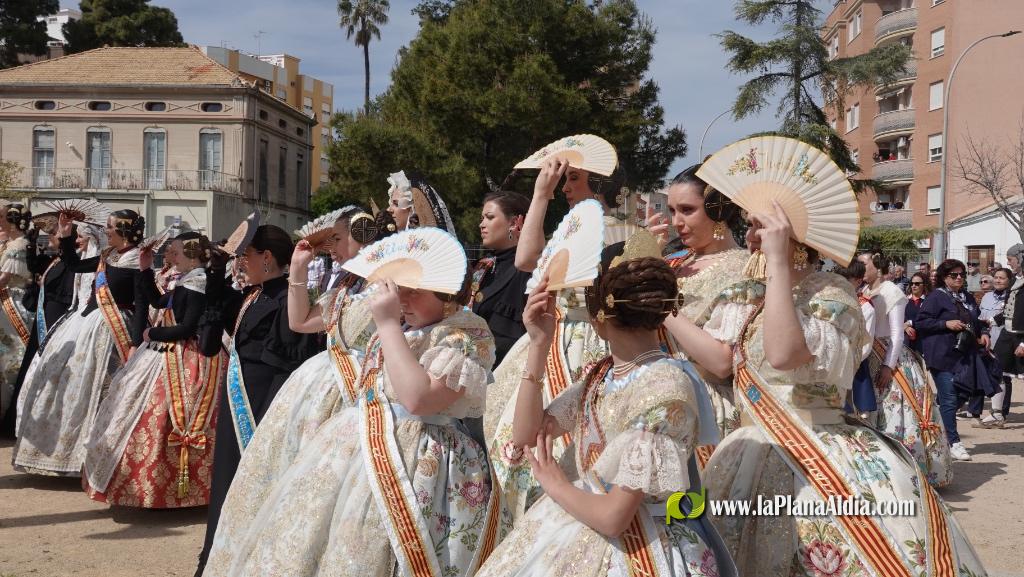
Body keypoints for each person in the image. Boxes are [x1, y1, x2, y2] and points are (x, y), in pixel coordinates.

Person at [698, 201, 985, 577]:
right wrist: (663, 313)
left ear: (793, 235)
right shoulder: (751, 296)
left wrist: (779, 265)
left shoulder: (831, 295)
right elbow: (718, 362)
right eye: (749, 225)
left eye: (760, 226)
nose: (749, 235)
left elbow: (784, 355)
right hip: (750, 448)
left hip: (816, 446)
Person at [204, 227, 505, 577]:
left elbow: (419, 399)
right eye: (399, 289)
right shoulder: (402, 321)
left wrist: (388, 325)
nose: (403, 299)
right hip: (363, 445)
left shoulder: (465, 334)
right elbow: (304, 323)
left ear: (447, 292)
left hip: (424, 461)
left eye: (414, 291)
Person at [474, 238, 735, 577]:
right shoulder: (605, 374)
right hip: (582, 519)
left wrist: (558, 485)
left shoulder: (664, 387)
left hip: (640, 545)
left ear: (597, 319)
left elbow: (615, 518)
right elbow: (526, 433)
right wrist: (539, 345)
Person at [486, 140, 635, 520]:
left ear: (599, 183)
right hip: (551, 337)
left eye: (574, 179)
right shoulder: (568, 232)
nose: (565, 187)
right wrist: (541, 194)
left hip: (594, 343)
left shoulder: (626, 234)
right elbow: (525, 259)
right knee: (520, 442)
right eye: (564, 179)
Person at [194, 223, 319, 574]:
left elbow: (287, 365)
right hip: (239, 396)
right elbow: (214, 325)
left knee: (249, 482)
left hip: (260, 405)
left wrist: (267, 419)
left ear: (266, 257)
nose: (241, 262)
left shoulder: (285, 299)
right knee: (227, 480)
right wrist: (216, 269)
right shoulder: (254, 294)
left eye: (246, 255)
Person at [82, 232, 227, 508]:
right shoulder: (188, 280)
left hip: (187, 357)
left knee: (162, 413)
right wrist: (145, 269)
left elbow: (187, 328)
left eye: (175, 252)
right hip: (167, 352)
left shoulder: (197, 283)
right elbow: (159, 302)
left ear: (192, 256)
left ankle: (176, 488)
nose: (169, 256)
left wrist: (152, 333)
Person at [13, 210, 148, 476]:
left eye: (110, 227)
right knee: (74, 385)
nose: (106, 231)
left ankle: (96, 460)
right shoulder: (107, 256)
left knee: (105, 390)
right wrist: (65, 235)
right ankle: (68, 457)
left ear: (123, 230)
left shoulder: (136, 260)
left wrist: (134, 343)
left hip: (115, 329)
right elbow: (75, 266)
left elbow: (142, 304)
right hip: (89, 325)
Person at [647, 163, 751, 450]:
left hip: (702, 408)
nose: (676, 222)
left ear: (718, 209)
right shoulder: (673, 262)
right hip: (653, 397)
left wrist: (662, 305)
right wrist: (646, 260)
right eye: (672, 211)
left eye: (687, 210)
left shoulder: (744, 269)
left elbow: (721, 363)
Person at [860, 250, 952, 487]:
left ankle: (909, 471)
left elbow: (897, 334)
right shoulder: (864, 290)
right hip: (869, 356)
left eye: (864, 264)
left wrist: (888, 366)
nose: (860, 268)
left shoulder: (892, 291)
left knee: (897, 413)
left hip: (890, 358)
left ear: (877, 265)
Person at [915, 259, 986, 462]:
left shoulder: (967, 297)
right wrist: (945, 324)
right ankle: (953, 443)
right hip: (941, 355)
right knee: (949, 398)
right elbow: (921, 322)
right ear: (944, 277)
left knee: (964, 393)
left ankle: (936, 423)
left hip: (964, 354)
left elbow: (977, 319)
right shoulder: (936, 297)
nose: (959, 278)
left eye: (962, 274)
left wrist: (985, 332)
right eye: (954, 275)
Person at [471, 190, 532, 365]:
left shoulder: (528, 270)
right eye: (482, 218)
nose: (481, 224)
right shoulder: (482, 265)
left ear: (513, 223)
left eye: (489, 217)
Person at [0, 204, 35, 423]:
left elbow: (3, 279)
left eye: (2, 217)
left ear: (12, 221)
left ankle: (7, 410)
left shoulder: (20, 244)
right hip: (4, 303)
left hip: (13, 305)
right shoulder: (8, 244)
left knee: (10, 357)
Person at [982, 267, 1017, 427]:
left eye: (1002, 278)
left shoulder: (1013, 296)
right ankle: (989, 411)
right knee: (990, 375)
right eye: (996, 277)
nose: (997, 280)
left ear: (1009, 281)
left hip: (1005, 343)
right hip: (987, 342)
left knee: (1004, 376)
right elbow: (981, 317)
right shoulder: (987, 297)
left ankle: (1002, 412)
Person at [904, 271, 930, 353]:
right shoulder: (904, 300)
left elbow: (928, 319)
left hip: (924, 341)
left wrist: (910, 323)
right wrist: (906, 328)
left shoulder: (928, 300)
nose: (914, 286)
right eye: (912, 283)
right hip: (907, 342)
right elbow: (899, 319)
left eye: (917, 284)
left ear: (924, 285)